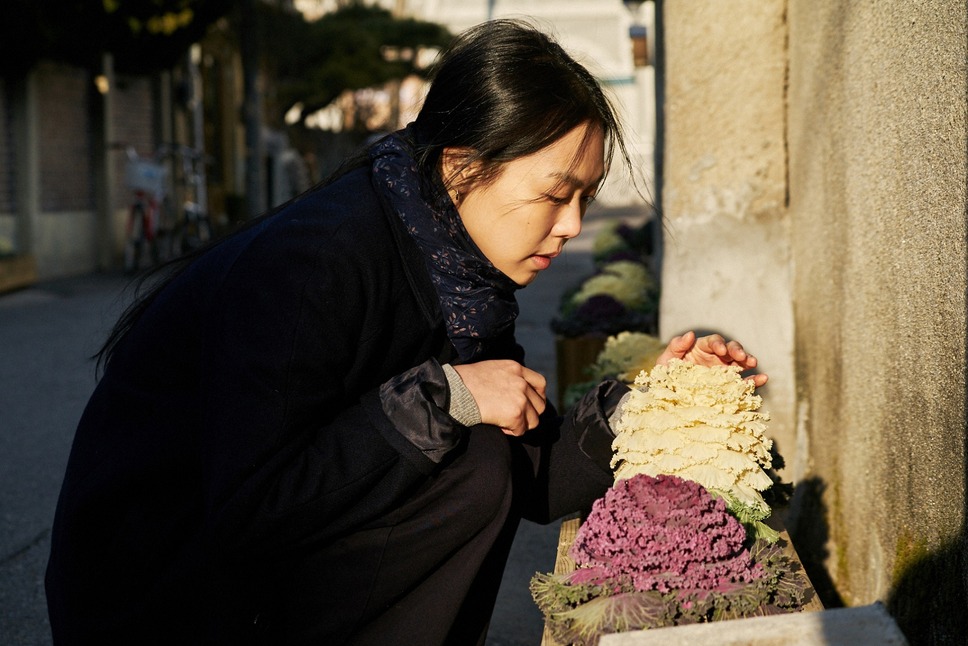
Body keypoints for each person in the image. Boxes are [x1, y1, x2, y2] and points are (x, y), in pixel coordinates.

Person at [45, 19, 766, 646]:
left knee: (482, 453)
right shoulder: (316, 265)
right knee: (471, 454)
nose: (573, 224)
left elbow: (531, 476)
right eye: (554, 195)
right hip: (156, 598)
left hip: (251, 576)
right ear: (461, 166)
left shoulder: (461, 278)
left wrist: (653, 405)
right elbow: (250, 507)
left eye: (584, 197)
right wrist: (443, 397)